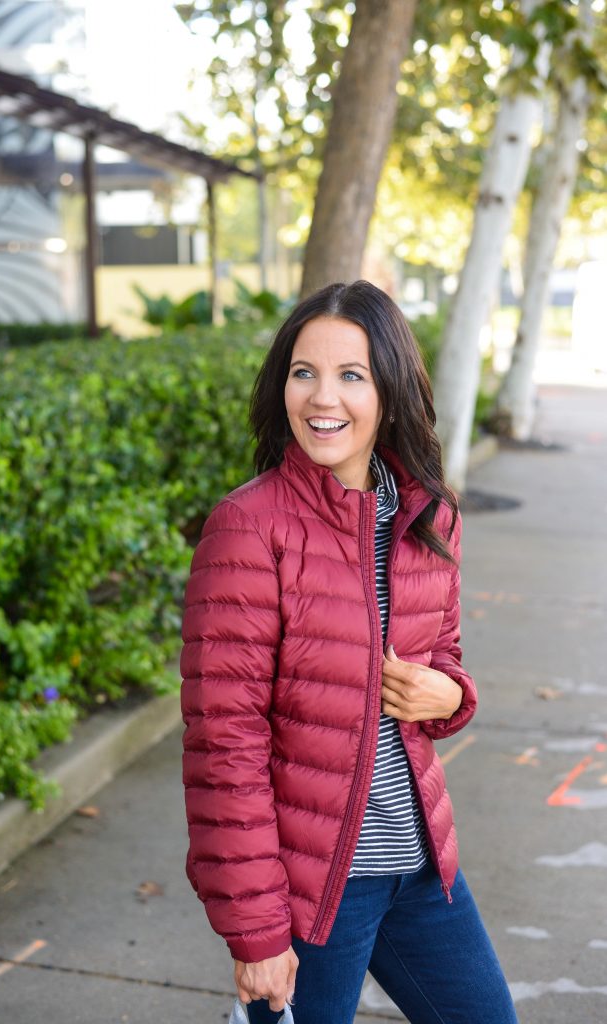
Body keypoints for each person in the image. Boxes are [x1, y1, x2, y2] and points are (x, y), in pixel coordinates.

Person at [180, 280, 517, 1024]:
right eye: (304, 371)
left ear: (388, 393)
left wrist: (453, 696)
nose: (321, 396)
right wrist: (257, 930)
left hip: (420, 869)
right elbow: (222, 744)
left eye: (350, 375)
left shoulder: (430, 516)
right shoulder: (247, 528)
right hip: (312, 889)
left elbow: (445, 658)